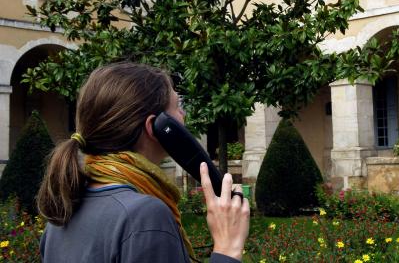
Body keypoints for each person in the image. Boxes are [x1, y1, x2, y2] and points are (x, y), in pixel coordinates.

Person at [37, 62, 249, 262]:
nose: (184, 114)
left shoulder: (62, 214)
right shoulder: (145, 217)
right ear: (157, 127)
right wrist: (227, 249)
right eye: (178, 105)